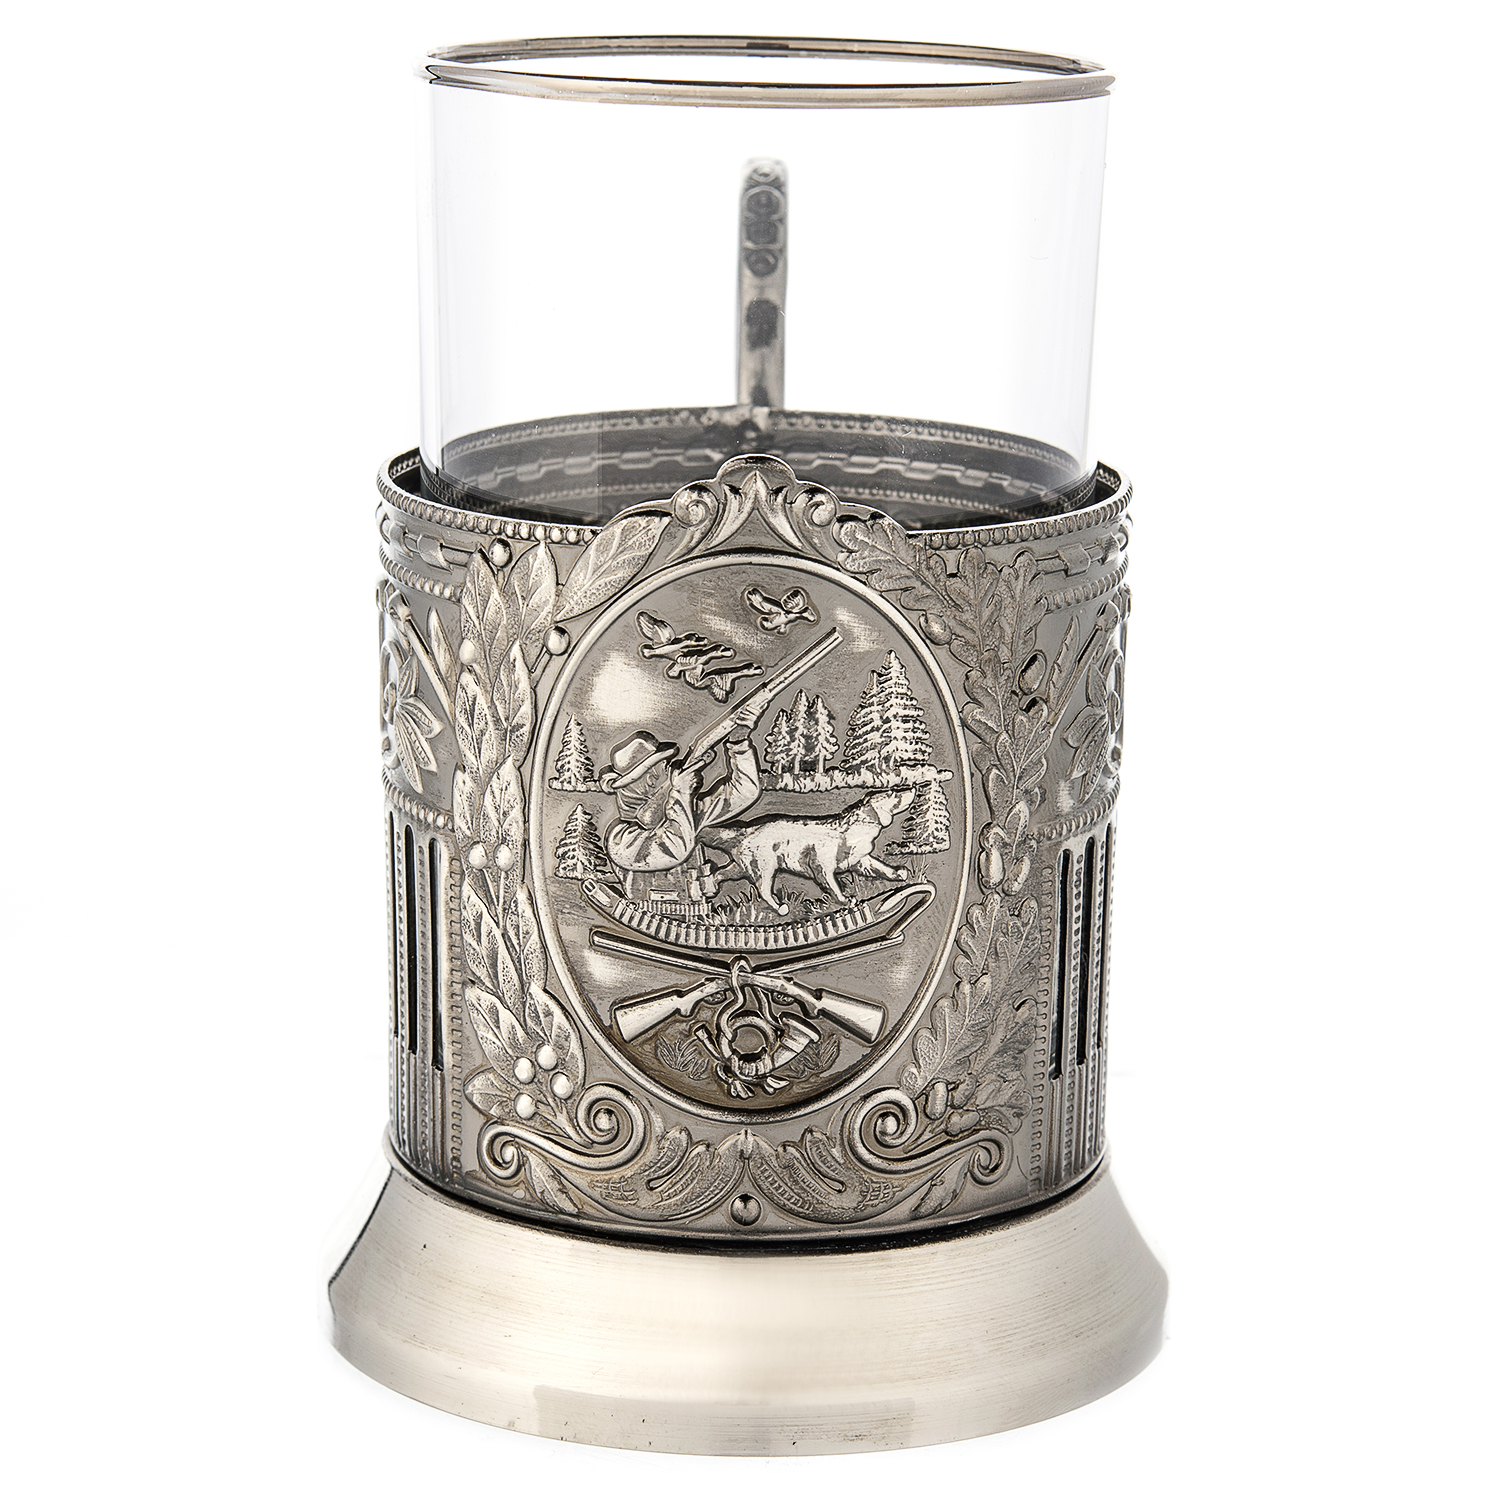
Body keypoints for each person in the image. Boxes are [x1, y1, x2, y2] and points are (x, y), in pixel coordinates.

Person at [600, 725, 762, 876]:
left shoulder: (681, 810)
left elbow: (744, 793)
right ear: (649, 779)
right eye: (662, 766)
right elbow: (674, 848)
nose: (668, 769)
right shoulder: (619, 842)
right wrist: (681, 791)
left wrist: (739, 745)